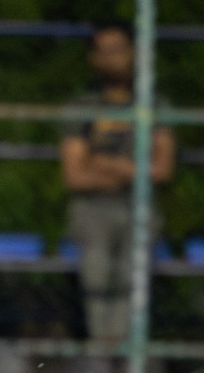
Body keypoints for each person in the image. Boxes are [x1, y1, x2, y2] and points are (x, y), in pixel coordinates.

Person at [60, 21, 175, 354]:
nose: (112, 59)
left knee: (131, 274)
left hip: (139, 206)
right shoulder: (83, 106)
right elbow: (75, 175)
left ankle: (127, 355)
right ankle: (104, 352)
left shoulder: (153, 103)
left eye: (119, 50)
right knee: (96, 270)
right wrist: (134, 170)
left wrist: (106, 163)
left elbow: (162, 169)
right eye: (104, 52)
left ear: (134, 54)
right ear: (93, 59)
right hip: (92, 207)